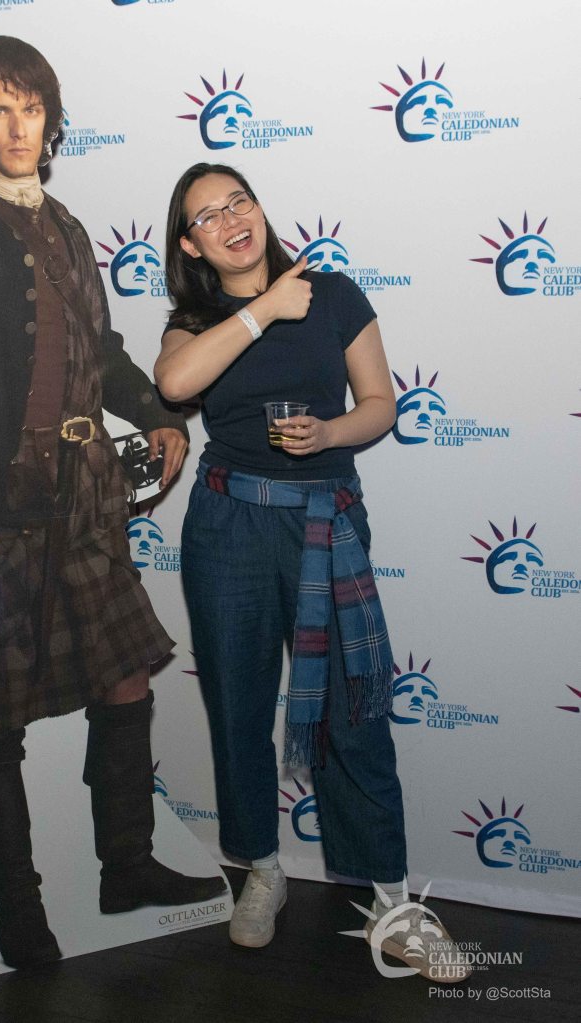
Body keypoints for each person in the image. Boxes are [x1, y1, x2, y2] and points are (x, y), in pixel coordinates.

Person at [0, 38, 225, 971]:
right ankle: (16, 909)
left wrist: (158, 412)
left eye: (33, 110)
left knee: (126, 676)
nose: (19, 128)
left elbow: (99, 352)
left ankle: (125, 866)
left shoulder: (62, 223)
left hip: (81, 500)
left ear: (51, 122)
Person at [155, 162, 467, 981]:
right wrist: (262, 308)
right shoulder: (194, 321)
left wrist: (329, 434)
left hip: (325, 518)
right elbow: (174, 381)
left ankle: (389, 900)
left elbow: (380, 403)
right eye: (207, 215)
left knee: (352, 711)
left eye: (239, 201)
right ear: (189, 244)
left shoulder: (330, 294)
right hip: (228, 524)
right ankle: (261, 870)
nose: (231, 219)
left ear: (259, 209)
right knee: (237, 705)